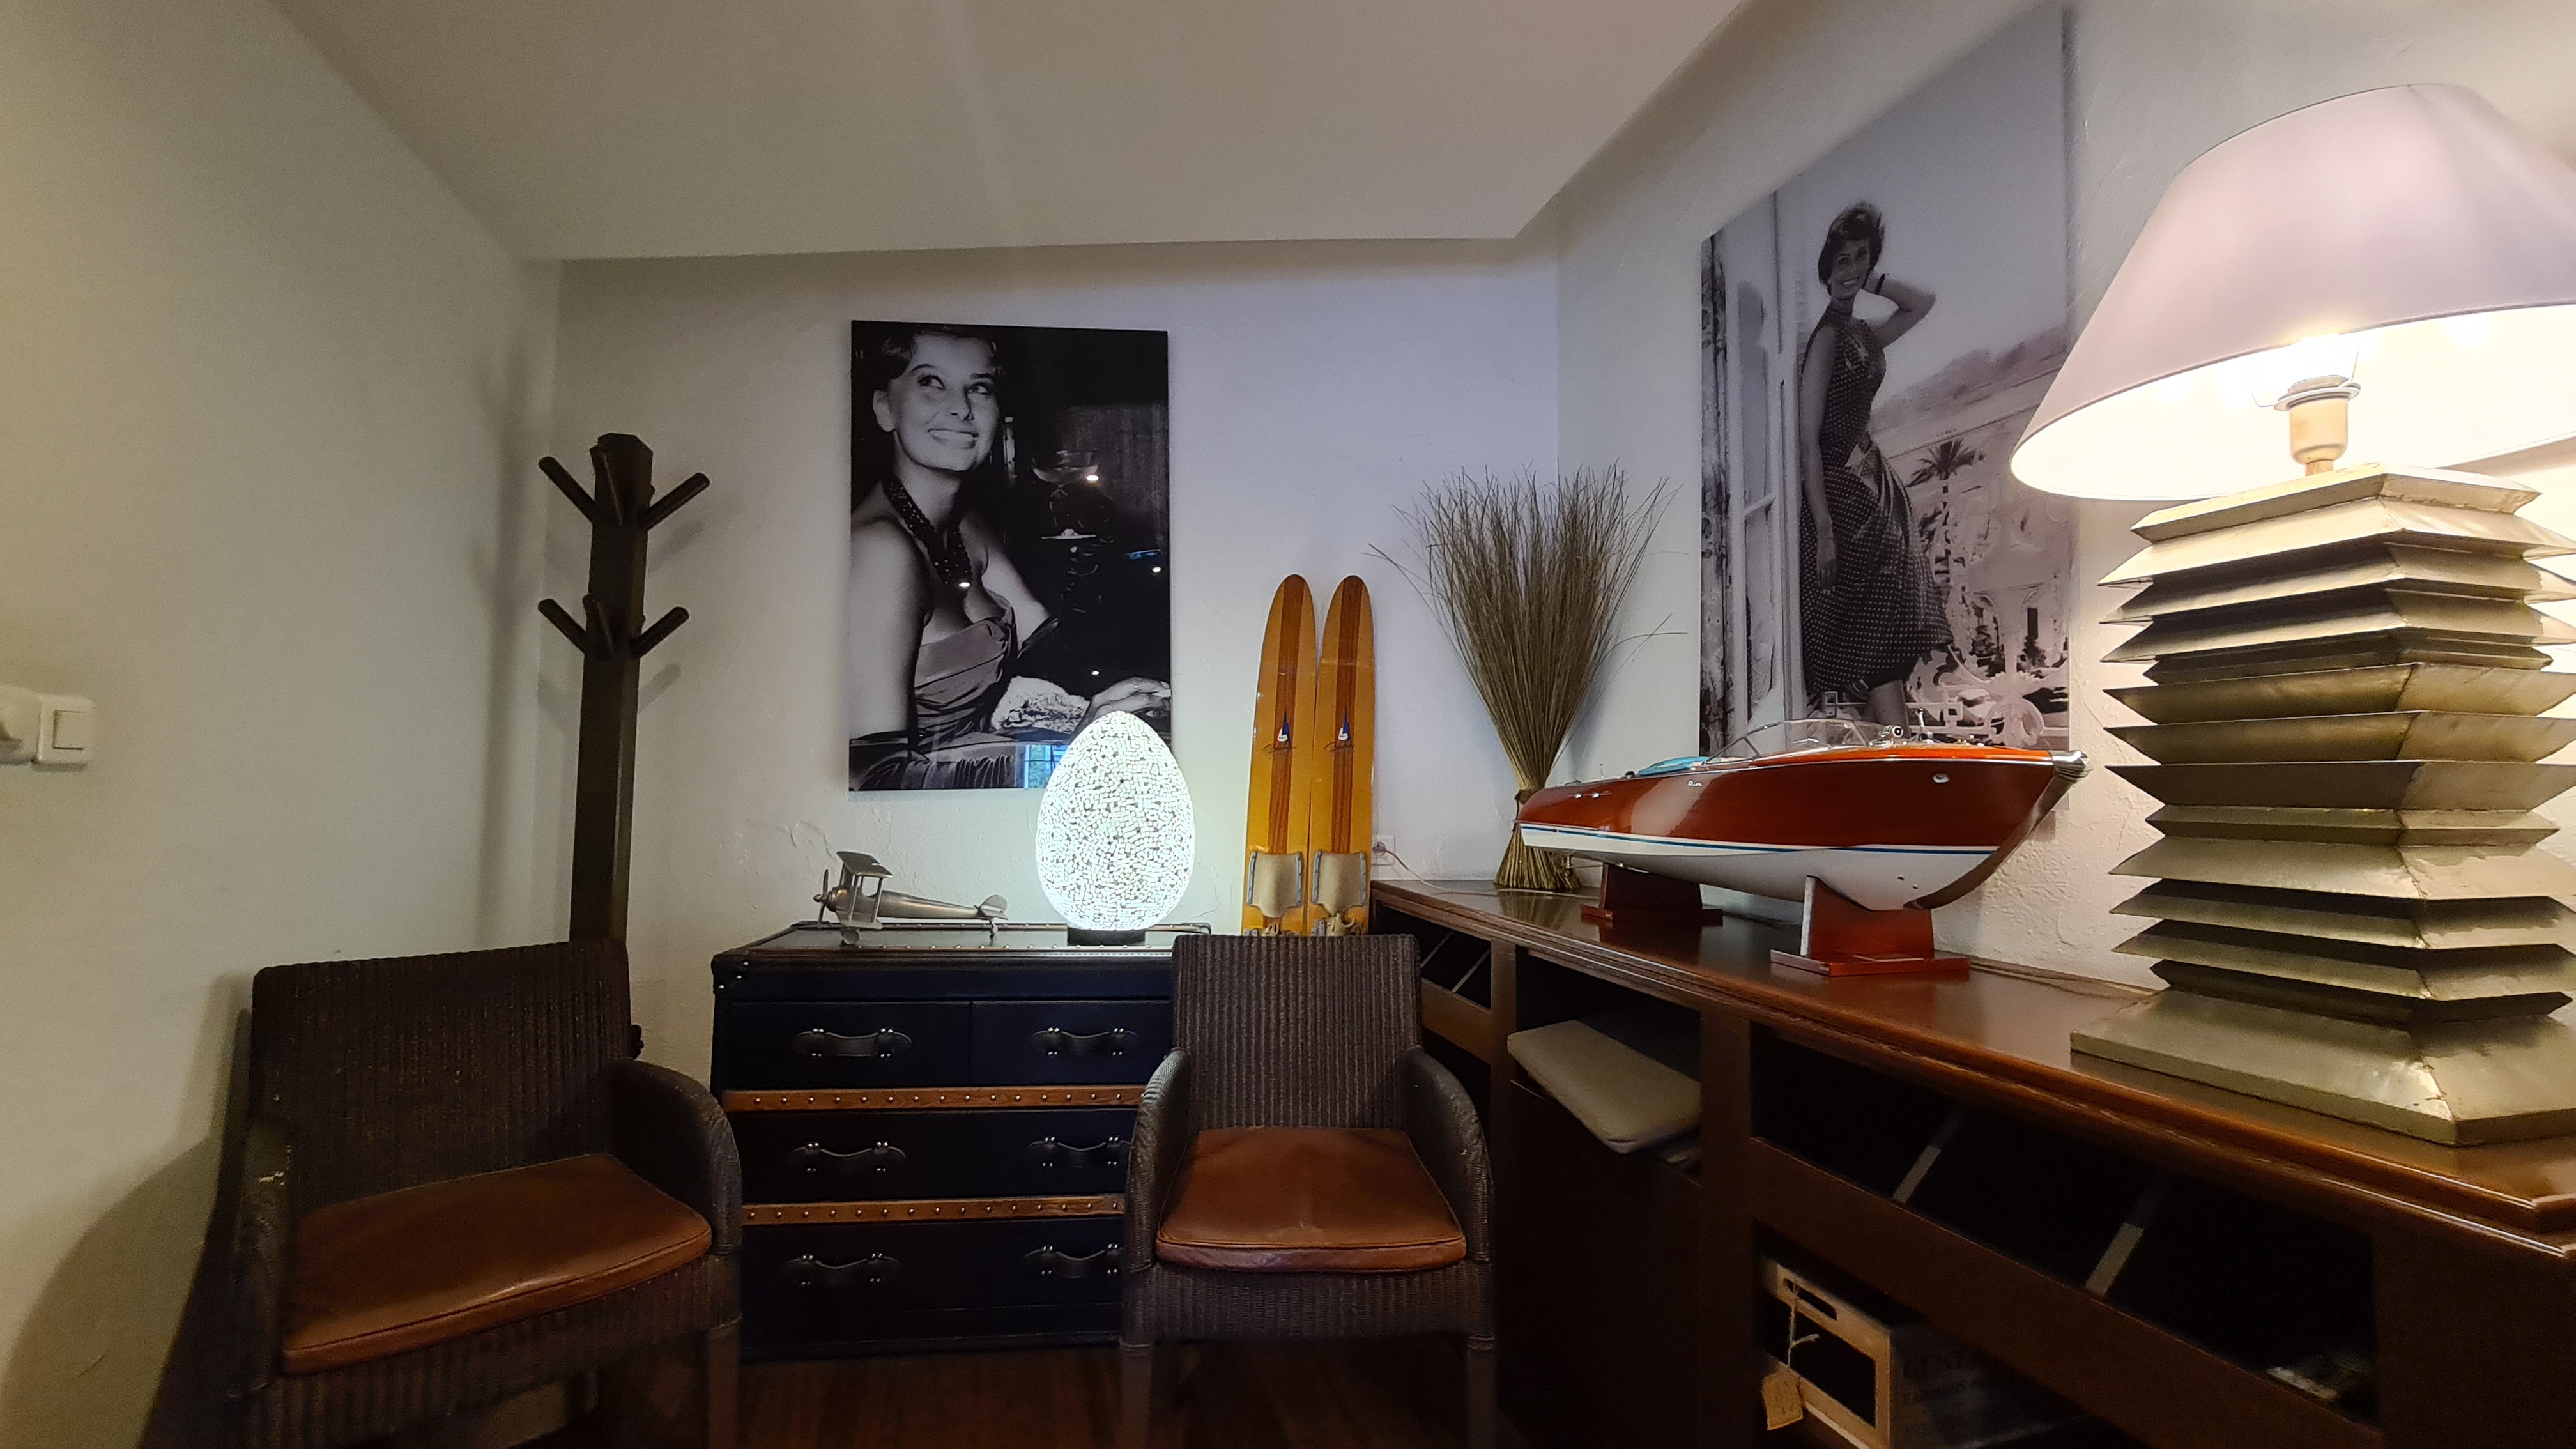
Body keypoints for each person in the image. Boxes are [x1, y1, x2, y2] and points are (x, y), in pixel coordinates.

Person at [846, 325, 1165, 789]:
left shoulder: (965, 526)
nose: (961, 408)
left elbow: (1048, 649)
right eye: (931, 382)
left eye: (979, 387)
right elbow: (871, 776)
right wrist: (1076, 753)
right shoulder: (879, 550)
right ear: (883, 408)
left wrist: (1097, 575)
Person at [1796, 203, 1947, 727]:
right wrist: (1823, 529)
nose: (1851, 269)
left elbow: (1921, 304)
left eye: (1860, 258)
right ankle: (1895, 741)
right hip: (1840, 494)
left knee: (1891, 614)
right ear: (1827, 268)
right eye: (1843, 260)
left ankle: (1891, 738)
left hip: (1873, 488)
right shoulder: (1827, 338)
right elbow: (1808, 440)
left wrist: (1873, 277)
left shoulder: (1860, 331)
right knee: (1876, 623)